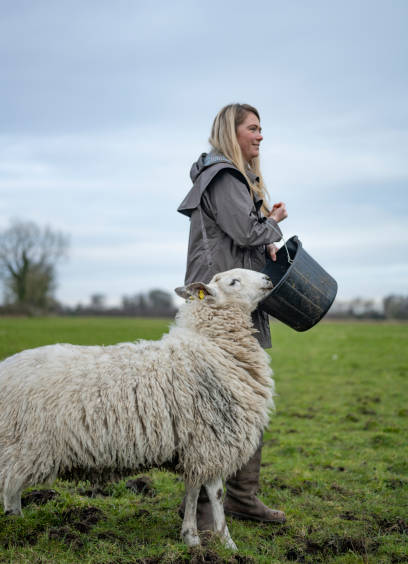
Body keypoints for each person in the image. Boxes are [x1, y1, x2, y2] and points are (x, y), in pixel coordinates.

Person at [177, 103, 288, 530]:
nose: (261, 136)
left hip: (240, 304)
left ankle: (242, 498)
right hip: (220, 306)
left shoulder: (235, 177)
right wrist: (273, 223)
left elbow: (243, 236)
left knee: (248, 400)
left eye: (262, 129)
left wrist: (267, 243)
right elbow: (245, 231)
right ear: (232, 131)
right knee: (216, 407)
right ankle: (204, 512)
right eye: (254, 128)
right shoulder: (224, 176)